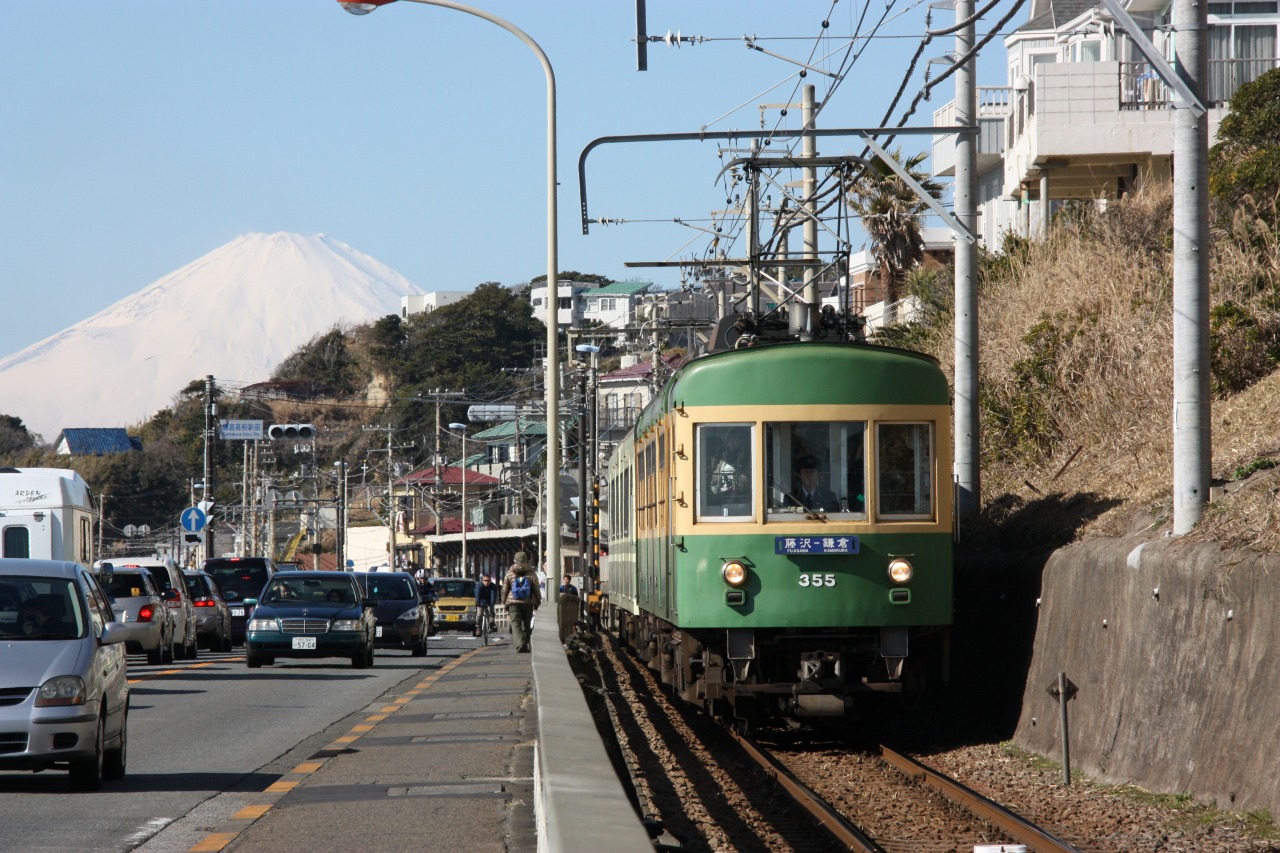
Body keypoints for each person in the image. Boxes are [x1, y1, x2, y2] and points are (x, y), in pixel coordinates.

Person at [501, 551, 542, 653]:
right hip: (528, 602)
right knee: (527, 624)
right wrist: (538, 602)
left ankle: (520, 644)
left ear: (514, 560)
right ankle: (525, 643)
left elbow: (505, 589)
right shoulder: (531, 573)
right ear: (526, 560)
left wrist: (504, 601)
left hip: (513, 602)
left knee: (516, 624)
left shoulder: (509, 573)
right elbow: (536, 588)